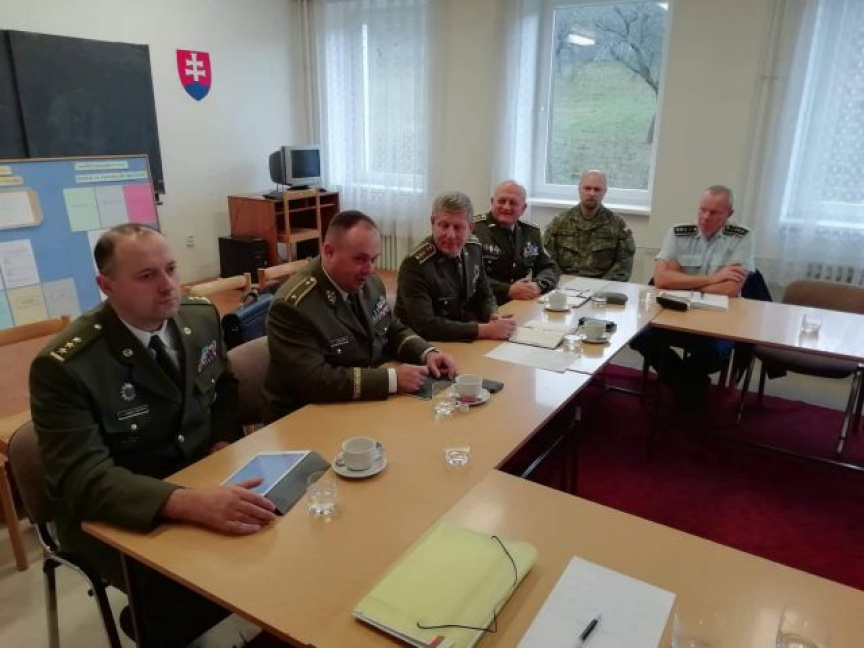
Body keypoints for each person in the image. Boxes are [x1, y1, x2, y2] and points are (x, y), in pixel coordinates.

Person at [30, 224, 277, 647]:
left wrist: (221, 443)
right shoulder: (66, 366)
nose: (167, 286)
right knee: (183, 585)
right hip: (115, 508)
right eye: (147, 276)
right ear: (106, 286)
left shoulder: (198, 317)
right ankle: (162, 624)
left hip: (200, 473)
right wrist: (187, 503)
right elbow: (82, 479)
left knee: (281, 527)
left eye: (171, 269)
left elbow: (223, 388)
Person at [264, 210, 456, 422]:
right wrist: (391, 379)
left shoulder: (368, 282)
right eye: (360, 259)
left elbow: (391, 329)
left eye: (374, 259)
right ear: (328, 252)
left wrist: (426, 353)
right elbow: (314, 380)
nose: (370, 269)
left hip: (357, 403)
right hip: (305, 416)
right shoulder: (293, 307)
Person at [630, 185, 755, 404]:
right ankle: (689, 387)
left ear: (730, 214)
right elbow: (661, 280)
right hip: (676, 311)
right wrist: (714, 278)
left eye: (714, 212)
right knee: (641, 337)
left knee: (715, 353)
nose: (705, 217)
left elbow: (730, 289)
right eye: (702, 210)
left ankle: (682, 384)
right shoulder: (678, 233)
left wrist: (681, 281)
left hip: (720, 317)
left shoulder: (742, 237)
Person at [395, 191, 518, 342]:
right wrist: (484, 330)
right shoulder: (415, 265)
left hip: (463, 336)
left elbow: (484, 295)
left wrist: (493, 316)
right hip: (427, 345)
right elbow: (425, 325)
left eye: (458, 227)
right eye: (444, 225)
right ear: (433, 223)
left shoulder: (474, 248)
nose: (450, 235)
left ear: (471, 228)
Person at [473, 180, 561, 304]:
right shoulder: (474, 229)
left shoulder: (530, 232)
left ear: (523, 208)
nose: (506, 207)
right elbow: (469, 276)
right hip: (484, 304)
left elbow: (549, 266)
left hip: (519, 302)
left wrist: (538, 285)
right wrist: (507, 290)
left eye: (513, 203)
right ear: (492, 202)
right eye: (502, 201)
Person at [542, 170, 635, 281]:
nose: (592, 193)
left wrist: (600, 286)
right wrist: (561, 281)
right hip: (563, 283)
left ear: (605, 192)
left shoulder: (617, 224)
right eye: (587, 188)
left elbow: (623, 265)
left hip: (602, 286)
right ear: (579, 190)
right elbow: (547, 259)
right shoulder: (560, 222)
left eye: (597, 189)